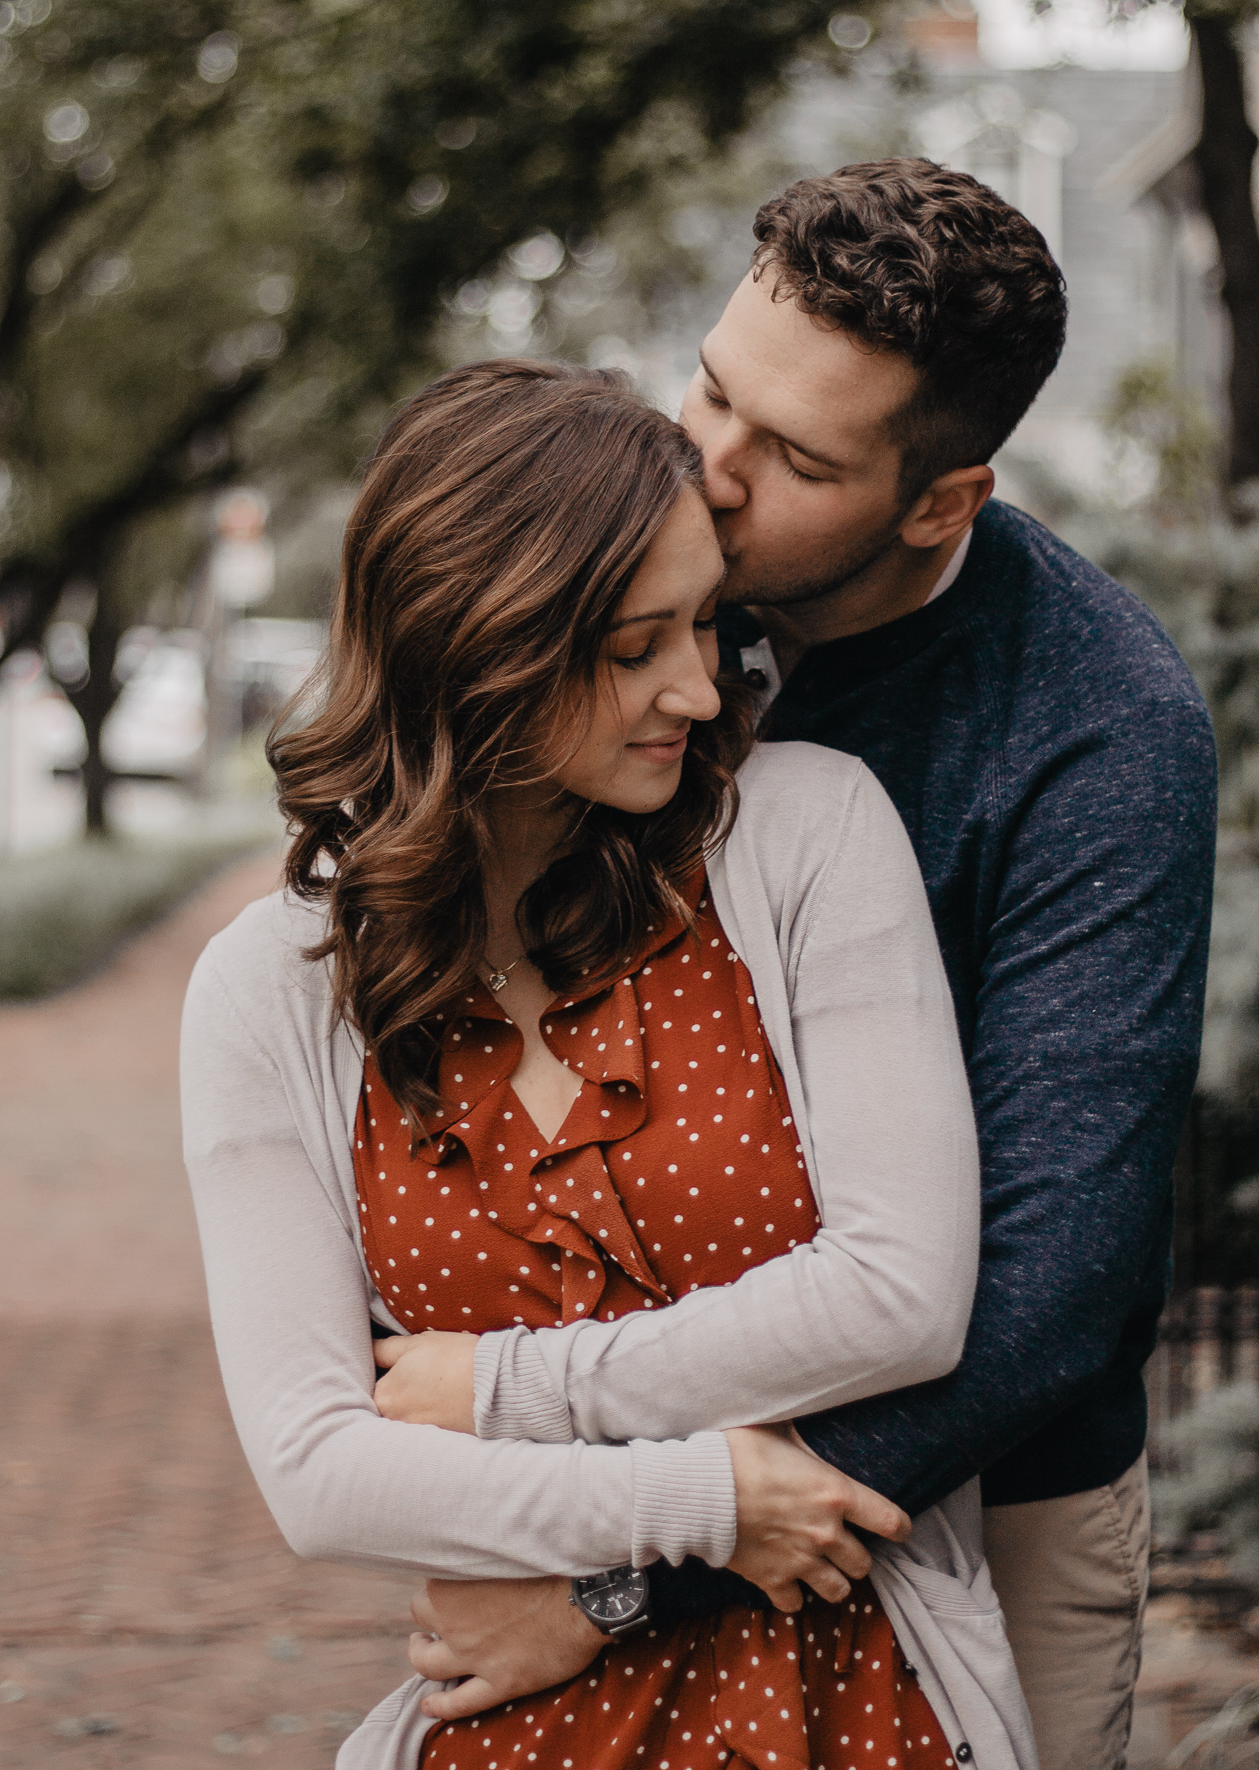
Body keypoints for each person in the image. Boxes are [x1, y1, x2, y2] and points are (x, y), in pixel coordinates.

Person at [370, 161, 1217, 1770]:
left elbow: (1052, 1288)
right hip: (587, 1466)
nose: (706, 465)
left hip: (970, 1496)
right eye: (707, 387)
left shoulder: (1096, 729)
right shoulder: (601, 593)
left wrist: (636, 1572)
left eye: (797, 456)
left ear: (939, 499)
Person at [181, 359, 1038, 1770]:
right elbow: (323, 1473)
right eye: (637, 647)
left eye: (705, 623)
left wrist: (512, 1400)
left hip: (858, 1700)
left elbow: (900, 1297)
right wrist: (703, 1500)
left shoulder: (803, 838)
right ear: (484, 647)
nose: (698, 690)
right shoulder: (266, 992)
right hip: (512, 1726)